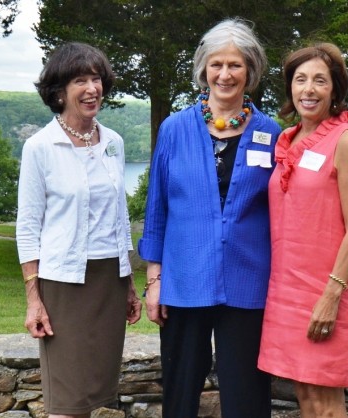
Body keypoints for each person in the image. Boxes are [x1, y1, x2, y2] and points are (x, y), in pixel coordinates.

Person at [138, 18, 282, 418]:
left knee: (247, 397)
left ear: (250, 71)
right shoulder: (174, 129)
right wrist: (154, 280)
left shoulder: (271, 133)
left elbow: (282, 213)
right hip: (184, 281)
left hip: (248, 283)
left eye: (235, 65)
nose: (225, 74)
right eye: (216, 64)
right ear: (204, 69)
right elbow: (157, 209)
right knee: (180, 393)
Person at [16, 42, 142, 418]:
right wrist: (34, 299)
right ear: (59, 91)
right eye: (80, 80)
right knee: (66, 402)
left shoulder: (114, 143)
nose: (92, 88)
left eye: (97, 78)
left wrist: (129, 284)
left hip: (109, 280)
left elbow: (118, 216)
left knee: (96, 397)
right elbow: (27, 226)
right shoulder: (40, 147)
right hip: (64, 284)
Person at [257, 43, 348, 417]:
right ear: (290, 87)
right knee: (305, 394)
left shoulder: (347, 141)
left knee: (325, 403)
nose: (309, 89)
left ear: (335, 89)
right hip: (285, 289)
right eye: (300, 79)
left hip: (324, 290)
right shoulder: (286, 140)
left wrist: (332, 296)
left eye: (320, 81)